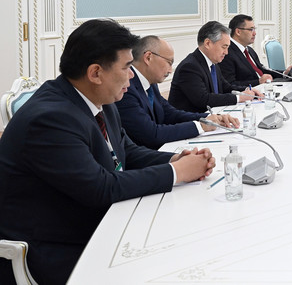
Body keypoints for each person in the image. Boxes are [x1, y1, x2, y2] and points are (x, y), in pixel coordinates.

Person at [0, 19, 214, 285]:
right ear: (95, 73)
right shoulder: (51, 118)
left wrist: (176, 159)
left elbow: (127, 152)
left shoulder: (101, 99)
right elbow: (99, 188)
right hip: (55, 246)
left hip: (93, 220)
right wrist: (175, 172)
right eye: (126, 67)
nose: (132, 75)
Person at [118, 35, 239, 150]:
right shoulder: (126, 88)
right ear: (148, 57)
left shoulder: (150, 81)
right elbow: (151, 134)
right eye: (169, 62)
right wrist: (200, 126)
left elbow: (170, 113)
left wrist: (208, 118)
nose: (170, 70)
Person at [168, 21, 259, 113]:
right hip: (192, 119)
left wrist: (247, 91)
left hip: (212, 115)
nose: (226, 52)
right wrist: (239, 98)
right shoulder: (189, 67)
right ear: (207, 43)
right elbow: (203, 99)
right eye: (224, 47)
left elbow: (226, 87)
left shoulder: (213, 63)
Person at [219, 14, 288, 89]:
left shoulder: (249, 50)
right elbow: (230, 84)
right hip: (249, 92)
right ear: (238, 32)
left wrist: (285, 73)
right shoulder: (227, 53)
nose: (255, 33)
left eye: (254, 29)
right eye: (251, 29)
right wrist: (258, 82)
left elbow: (262, 70)